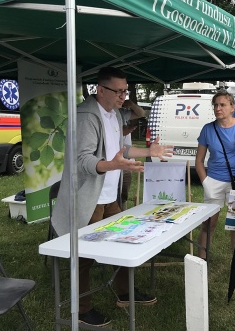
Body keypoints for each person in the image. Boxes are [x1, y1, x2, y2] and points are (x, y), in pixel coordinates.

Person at [51, 66, 173, 327]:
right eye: (118, 92)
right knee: (83, 257)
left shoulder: (115, 114)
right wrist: (114, 165)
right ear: (100, 90)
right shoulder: (86, 116)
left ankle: (124, 294)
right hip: (89, 199)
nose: (122, 96)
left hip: (110, 198)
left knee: (122, 244)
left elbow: (123, 149)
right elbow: (84, 161)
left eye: (125, 91)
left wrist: (150, 149)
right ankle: (82, 309)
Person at [195, 91, 235, 259]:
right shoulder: (208, 129)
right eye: (215, 105)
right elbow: (199, 161)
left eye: (222, 105)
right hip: (214, 181)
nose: (218, 108)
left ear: (232, 107)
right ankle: (201, 261)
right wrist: (205, 182)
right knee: (209, 224)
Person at [119, 100, 145, 210]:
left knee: (124, 193)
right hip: (114, 162)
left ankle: (121, 212)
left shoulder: (122, 112)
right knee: (114, 195)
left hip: (127, 160)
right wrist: (123, 132)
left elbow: (142, 113)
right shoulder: (106, 114)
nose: (122, 97)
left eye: (124, 92)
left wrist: (132, 104)